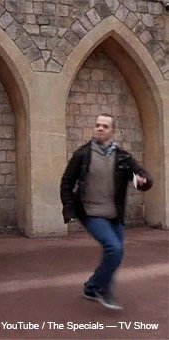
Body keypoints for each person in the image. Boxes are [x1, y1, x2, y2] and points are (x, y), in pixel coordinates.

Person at [60, 113, 153, 310]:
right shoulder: (82, 155)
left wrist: (144, 181)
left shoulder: (123, 157)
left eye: (105, 126)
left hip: (114, 214)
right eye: (97, 125)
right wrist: (69, 208)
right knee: (114, 248)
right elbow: (67, 182)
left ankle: (92, 287)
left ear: (112, 131)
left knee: (117, 253)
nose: (100, 128)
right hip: (91, 212)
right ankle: (103, 290)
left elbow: (141, 177)